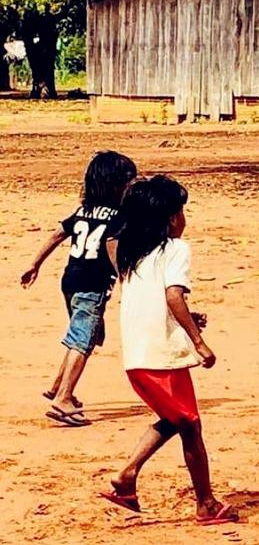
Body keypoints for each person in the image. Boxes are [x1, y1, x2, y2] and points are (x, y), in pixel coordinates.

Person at [101, 175, 238, 526]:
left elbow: (152, 301)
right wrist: (199, 341)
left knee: (177, 421)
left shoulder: (133, 255)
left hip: (138, 356)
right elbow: (173, 295)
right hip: (164, 357)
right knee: (189, 425)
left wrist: (187, 320)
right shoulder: (176, 249)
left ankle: (128, 477)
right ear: (172, 218)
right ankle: (205, 503)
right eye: (181, 212)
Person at [21, 151, 137, 426]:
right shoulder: (118, 216)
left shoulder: (82, 211)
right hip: (92, 286)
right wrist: (126, 279)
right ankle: (63, 398)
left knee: (84, 334)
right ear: (118, 185)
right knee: (82, 340)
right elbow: (112, 247)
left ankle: (57, 386)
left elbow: (58, 234)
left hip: (70, 280)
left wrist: (35, 264)